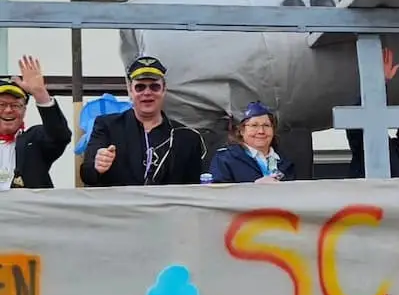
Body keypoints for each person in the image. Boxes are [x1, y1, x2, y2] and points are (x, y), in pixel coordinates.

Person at [81, 57, 205, 187]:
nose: (147, 93)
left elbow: (194, 190)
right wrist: (97, 167)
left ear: (164, 90)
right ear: (130, 90)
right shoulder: (107, 127)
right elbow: (86, 175)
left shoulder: (186, 137)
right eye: (140, 87)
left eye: (154, 87)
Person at [0, 56, 71, 190]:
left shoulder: (34, 140)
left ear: (24, 111)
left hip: (27, 204)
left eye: (15, 105)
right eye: (2, 104)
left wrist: (40, 93)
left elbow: (60, 136)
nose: (8, 110)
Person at [208, 102, 297, 182]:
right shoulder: (225, 159)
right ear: (241, 131)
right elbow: (218, 193)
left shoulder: (284, 162)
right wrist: (254, 188)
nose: (261, 131)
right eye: (254, 125)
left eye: (266, 125)